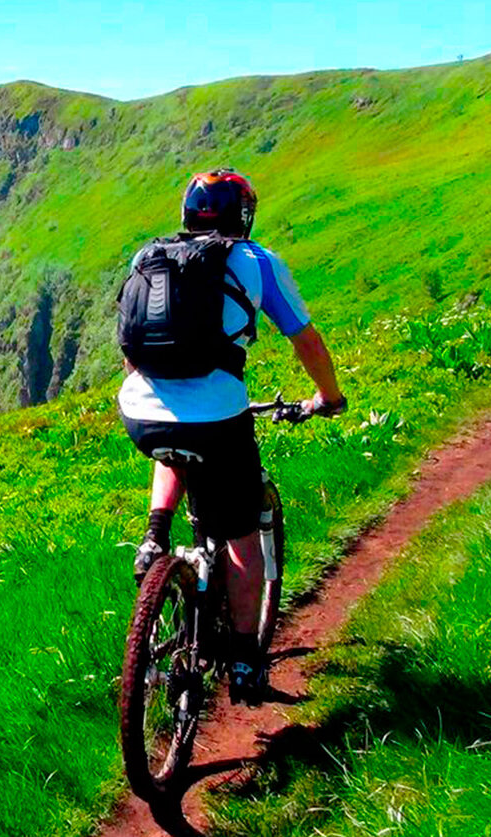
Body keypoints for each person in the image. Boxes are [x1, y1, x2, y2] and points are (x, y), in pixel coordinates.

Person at [117, 168, 346, 705]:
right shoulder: (256, 262)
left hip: (141, 411)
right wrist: (328, 398)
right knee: (243, 538)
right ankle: (246, 660)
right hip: (219, 418)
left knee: (173, 442)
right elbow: (304, 339)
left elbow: (133, 340)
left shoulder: (148, 257)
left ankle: (155, 537)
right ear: (242, 215)